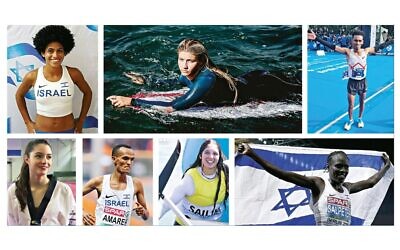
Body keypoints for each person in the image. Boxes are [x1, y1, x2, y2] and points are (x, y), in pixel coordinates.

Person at [107, 38, 301, 113]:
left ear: (200, 62)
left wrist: (131, 102)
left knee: (299, 92)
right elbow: (174, 80)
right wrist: (146, 80)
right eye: (181, 59)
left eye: (189, 61)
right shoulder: (189, 72)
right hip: (250, 77)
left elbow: (174, 107)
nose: (184, 65)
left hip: (263, 84)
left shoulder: (205, 80)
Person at [237, 143, 392, 225]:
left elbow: (371, 182)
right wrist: (252, 154)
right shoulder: (319, 184)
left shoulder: (347, 188)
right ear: (328, 167)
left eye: (346, 167)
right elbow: (283, 174)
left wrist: (385, 166)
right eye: (339, 166)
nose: (343, 170)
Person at [308, 29, 393, 130]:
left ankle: (360, 118)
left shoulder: (366, 51)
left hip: (363, 82)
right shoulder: (347, 52)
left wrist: (392, 41)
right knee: (351, 105)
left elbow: (380, 47)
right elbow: (332, 46)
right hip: (352, 83)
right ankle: (350, 120)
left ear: (362, 42)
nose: (357, 43)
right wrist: (317, 38)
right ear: (351, 41)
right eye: (355, 40)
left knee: (362, 102)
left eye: (359, 41)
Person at [15, 25, 92, 133]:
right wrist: (27, 122)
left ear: (65, 52)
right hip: (41, 131)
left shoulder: (74, 73)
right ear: (43, 52)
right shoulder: (33, 76)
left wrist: (81, 121)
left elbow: (88, 93)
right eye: (50, 51)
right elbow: (19, 95)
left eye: (59, 51)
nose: (55, 55)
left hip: (69, 130)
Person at [159, 139, 229, 225]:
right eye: (207, 152)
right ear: (200, 156)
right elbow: (167, 204)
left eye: (215, 154)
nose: (211, 157)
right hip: (185, 225)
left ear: (219, 157)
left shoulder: (226, 173)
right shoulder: (190, 178)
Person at [8, 139, 76, 226]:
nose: (45, 161)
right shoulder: (13, 190)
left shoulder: (64, 190)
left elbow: (73, 222)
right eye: (39, 156)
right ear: (26, 159)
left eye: (49, 157)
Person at [82, 144, 149, 226]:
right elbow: (73, 196)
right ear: (114, 159)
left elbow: (146, 216)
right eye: (125, 158)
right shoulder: (100, 181)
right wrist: (82, 213)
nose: (129, 162)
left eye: (132, 159)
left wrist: (143, 212)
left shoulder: (136, 184)